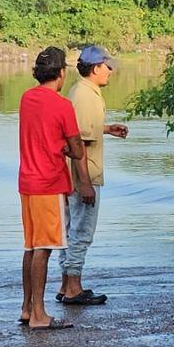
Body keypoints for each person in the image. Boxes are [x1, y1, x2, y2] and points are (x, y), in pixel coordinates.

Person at [56, 45, 129, 306]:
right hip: (83, 176)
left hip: (72, 175)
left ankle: (66, 285)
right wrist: (85, 183)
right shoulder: (86, 96)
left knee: (70, 231)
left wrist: (106, 129)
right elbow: (80, 144)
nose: (110, 71)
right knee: (82, 232)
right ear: (96, 68)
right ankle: (74, 287)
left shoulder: (80, 92)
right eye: (107, 67)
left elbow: (82, 131)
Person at [18, 47, 85, 330]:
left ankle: (26, 307)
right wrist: (67, 147)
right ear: (61, 73)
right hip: (49, 182)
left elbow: (44, 134)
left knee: (31, 246)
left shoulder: (26, 98)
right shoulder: (62, 105)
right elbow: (78, 150)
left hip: (27, 181)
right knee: (44, 249)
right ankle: (39, 314)